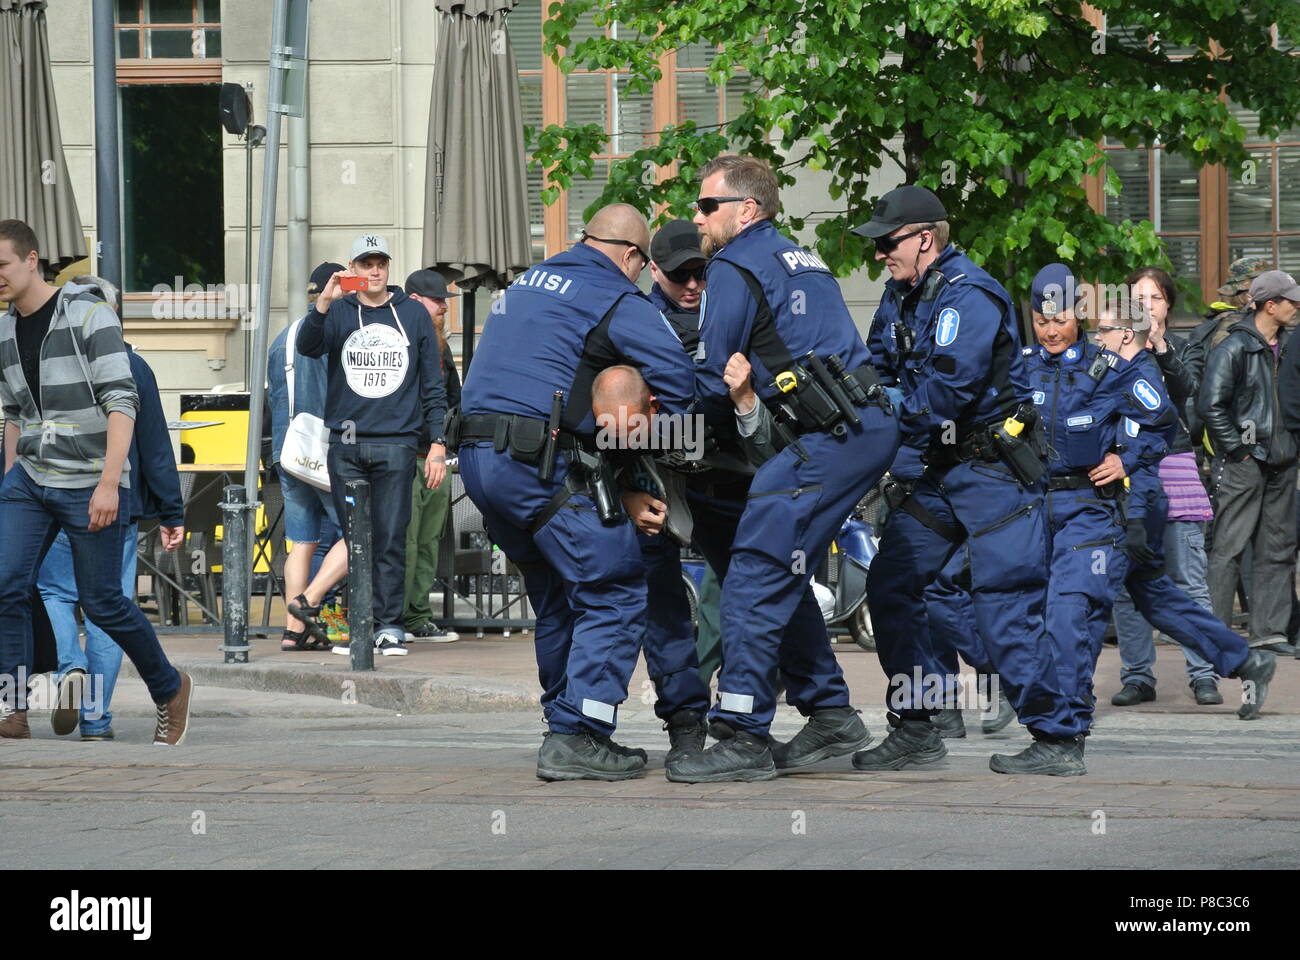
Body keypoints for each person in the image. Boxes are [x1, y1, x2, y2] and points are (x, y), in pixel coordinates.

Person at [664, 155, 901, 783]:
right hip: (854, 426)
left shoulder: (735, 265)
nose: (697, 218)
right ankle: (829, 715)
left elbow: (713, 375)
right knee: (781, 569)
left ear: (746, 209)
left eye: (705, 205)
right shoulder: (798, 256)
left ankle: (742, 733)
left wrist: (649, 397)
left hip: (830, 435)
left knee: (752, 572)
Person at [455, 203, 696, 781]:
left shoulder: (524, 284)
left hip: (480, 466)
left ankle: (561, 720)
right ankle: (580, 732)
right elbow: (680, 383)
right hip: (539, 469)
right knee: (614, 586)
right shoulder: (613, 294)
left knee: (560, 595)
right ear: (633, 257)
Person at [855, 193, 1077, 777]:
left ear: (924, 237)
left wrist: (879, 403)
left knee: (1004, 606)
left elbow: (945, 395)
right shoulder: (901, 295)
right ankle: (918, 726)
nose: (879, 254)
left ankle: (1057, 739)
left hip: (992, 471)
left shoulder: (968, 295)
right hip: (939, 470)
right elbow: (874, 366)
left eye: (887, 242)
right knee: (892, 585)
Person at [0, 218, 193, 744]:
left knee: (104, 600)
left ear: (32, 260)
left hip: (91, 480)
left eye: (2, 265)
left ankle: (170, 687)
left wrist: (110, 483)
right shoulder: (4, 330)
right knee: (7, 584)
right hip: (32, 479)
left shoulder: (88, 316)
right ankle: (13, 708)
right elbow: (14, 411)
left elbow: (122, 401)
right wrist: (13, 475)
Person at [1097, 311, 1276, 720]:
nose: (1096, 338)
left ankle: (1048, 708)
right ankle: (1246, 661)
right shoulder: (1103, 373)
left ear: (1127, 334)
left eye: (1102, 330)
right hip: (1123, 507)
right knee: (1154, 597)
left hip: (1130, 507)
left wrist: (1138, 519)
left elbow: (1144, 450)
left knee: (1086, 597)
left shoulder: (1140, 376)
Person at [36, 275, 184, 740]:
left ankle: (70, 666)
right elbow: (155, 444)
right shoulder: (135, 367)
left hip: (52, 493)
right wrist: (172, 511)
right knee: (110, 605)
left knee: (56, 591)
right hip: (113, 502)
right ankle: (96, 720)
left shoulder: (46, 358)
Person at [297, 234, 448, 657]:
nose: (375, 270)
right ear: (353, 270)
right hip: (345, 444)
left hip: (397, 443)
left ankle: (389, 626)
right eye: (366, 263)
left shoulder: (413, 316)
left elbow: (432, 386)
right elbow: (308, 347)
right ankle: (359, 624)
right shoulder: (340, 311)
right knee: (355, 538)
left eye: (381, 262)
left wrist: (436, 442)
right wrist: (323, 303)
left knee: (390, 536)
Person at [1110, 267, 1223, 705]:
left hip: (1173, 467)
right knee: (1127, 583)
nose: (1145, 306)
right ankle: (1138, 675)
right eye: (1137, 298)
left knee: (1189, 580)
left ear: (1168, 306)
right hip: (1126, 473)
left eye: (1154, 298)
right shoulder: (1112, 349)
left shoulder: (1181, 346)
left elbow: (1184, 396)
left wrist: (1156, 345)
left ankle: (1203, 674)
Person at [1197, 270, 1300, 652]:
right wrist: (1239, 449)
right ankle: (1217, 635)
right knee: (1229, 547)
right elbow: (1211, 404)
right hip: (1246, 461)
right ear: (1270, 305)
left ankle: (1269, 632)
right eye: (1290, 301)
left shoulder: (1289, 345)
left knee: (1279, 547)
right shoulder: (1234, 347)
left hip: (1284, 460)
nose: (1296, 307)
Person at [269, 261, 345, 651]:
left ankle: (290, 631)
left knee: (302, 542)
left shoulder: (282, 338)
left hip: (288, 451)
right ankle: (309, 604)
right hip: (324, 450)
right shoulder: (330, 335)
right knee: (362, 531)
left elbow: (273, 398)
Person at [401, 268, 462, 644]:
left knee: (426, 540)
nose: (443, 307)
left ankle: (417, 616)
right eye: (437, 300)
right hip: (407, 455)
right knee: (404, 540)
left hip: (436, 456)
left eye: (444, 300)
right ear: (413, 301)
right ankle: (393, 618)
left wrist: (448, 447)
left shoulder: (441, 346)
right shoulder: (395, 338)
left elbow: (454, 401)